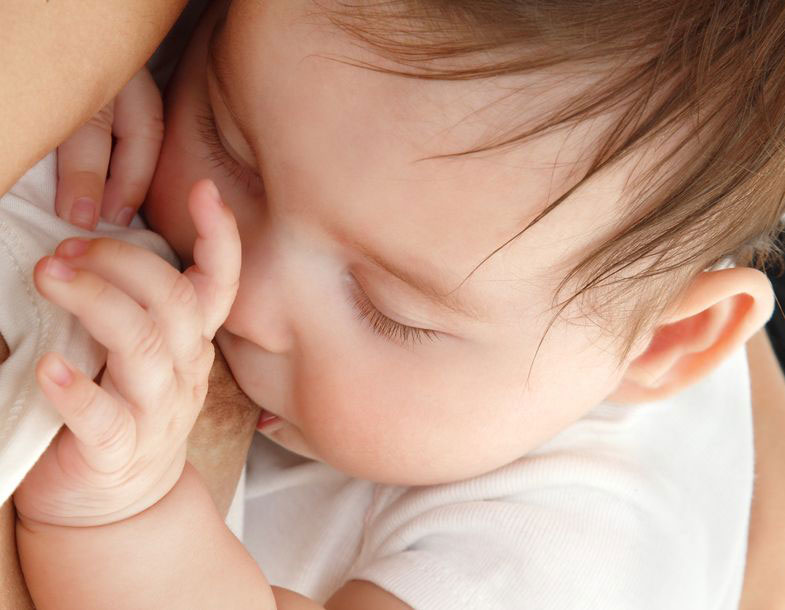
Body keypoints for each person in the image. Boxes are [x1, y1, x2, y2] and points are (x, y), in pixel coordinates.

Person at [4, 0, 785, 608]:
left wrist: (126, 517)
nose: (246, 303)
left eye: (387, 311)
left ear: (660, 345)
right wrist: (107, 75)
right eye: (234, 147)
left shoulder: (582, 546)